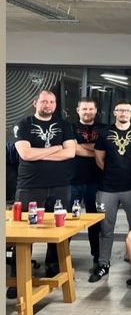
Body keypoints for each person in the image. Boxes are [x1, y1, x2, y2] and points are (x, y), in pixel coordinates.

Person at [13, 90, 76, 278]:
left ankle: (53, 267)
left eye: (51, 102)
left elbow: (70, 152)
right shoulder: (24, 124)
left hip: (60, 185)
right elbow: (26, 154)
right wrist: (56, 148)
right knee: (23, 231)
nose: (47, 105)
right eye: (44, 101)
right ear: (35, 103)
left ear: (55, 105)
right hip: (30, 186)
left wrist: (39, 153)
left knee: (60, 228)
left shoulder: (64, 125)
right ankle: (19, 275)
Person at [90, 100, 131, 282]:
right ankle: (103, 264)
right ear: (114, 113)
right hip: (107, 188)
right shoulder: (105, 132)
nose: (123, 113)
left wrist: (129, 174)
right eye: (120, 110)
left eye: (127, 110)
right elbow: (99, 159)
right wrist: (112, 173)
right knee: (106, 229)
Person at [71, 97, 106, 269]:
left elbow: (107, 149)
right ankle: (58, 258)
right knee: (68, 220)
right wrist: (97, 151)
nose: (87, 112)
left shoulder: (105, 128)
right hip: (73, 181)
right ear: (78, 110)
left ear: (96, 110)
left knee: (96, 222)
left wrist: (81, 146)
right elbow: (72, 149)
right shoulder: (69, 127)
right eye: (84, 109)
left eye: (91, 109)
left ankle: (98, 257)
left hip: (97, 182)